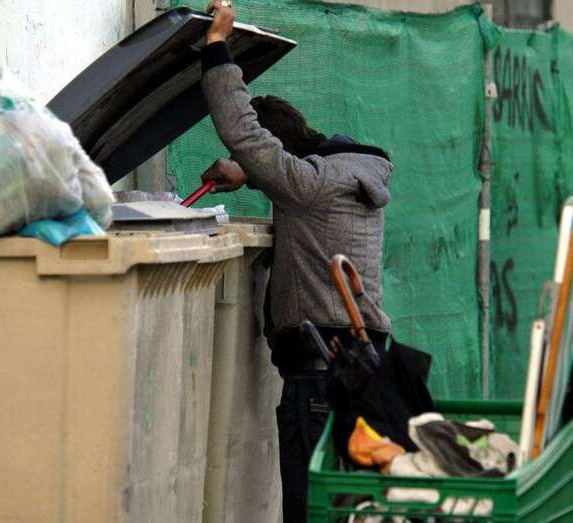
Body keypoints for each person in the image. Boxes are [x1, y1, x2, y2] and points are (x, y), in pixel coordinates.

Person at [200, 2, 393, 521]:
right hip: (366, 364)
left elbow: (244, 132)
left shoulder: (306, 185)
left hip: (319, 373)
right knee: (351, 509)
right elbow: (284, 175)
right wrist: (254, 174)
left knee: (309, 512)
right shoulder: (348, 176)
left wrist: (217, 48)